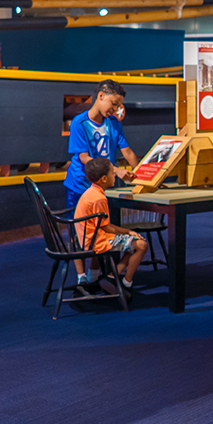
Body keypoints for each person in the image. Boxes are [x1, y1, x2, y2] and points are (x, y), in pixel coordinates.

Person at [64, 80, 139, 286]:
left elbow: (128, 151)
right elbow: (85, 159)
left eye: (119, 106)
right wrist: (116, 170)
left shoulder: (114, 123)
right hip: (80, 186)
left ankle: (95, 272)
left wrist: (143, 174)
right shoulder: (80, 123)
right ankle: (81, 278)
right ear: (101, 96)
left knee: (100, 229)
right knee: (78, 232)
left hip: (103, 188)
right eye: (113, 104)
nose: (115, 109)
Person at [73, 157, 148, 292]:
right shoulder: (99, 199)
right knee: (141, 245)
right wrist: (128, 231)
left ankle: (112, 276)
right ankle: (126, 283)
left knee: (132, 244)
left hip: (84, 238)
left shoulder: (90, 193)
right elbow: (106, 227)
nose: (115, 175)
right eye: (112, 173)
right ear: (104, 179)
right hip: (96, 241)